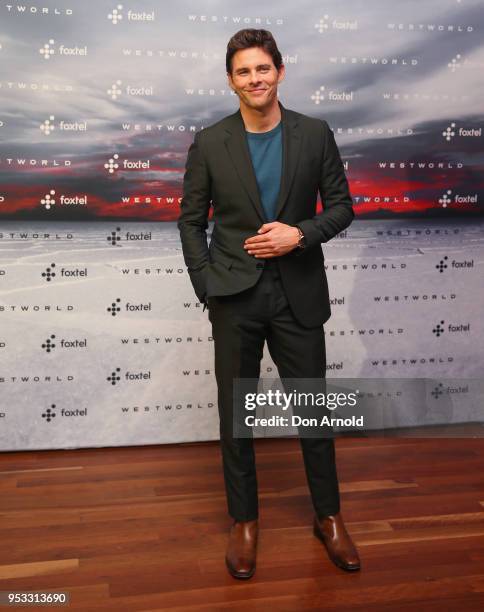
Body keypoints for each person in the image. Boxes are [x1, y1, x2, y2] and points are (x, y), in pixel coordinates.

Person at [178, 28, 360, 579]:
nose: (254, 79)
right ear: (230, 80)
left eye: (262, 68)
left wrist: (298, 235)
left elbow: (343, 208)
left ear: (280, 71)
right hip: (234, 295)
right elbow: (191, 221)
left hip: (298, 294)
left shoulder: (315, 134)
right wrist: (208, 283)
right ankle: (244, 522)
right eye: (242, 71)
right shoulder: (211, 141)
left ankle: (328, 517)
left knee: (312, 410)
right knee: (237, 417)